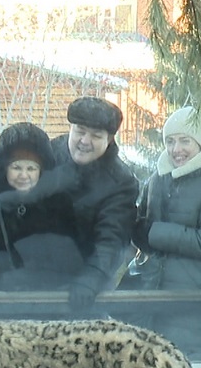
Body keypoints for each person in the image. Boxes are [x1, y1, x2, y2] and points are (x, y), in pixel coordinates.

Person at [123, 107, 201, 361]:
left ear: (199, 142)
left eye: (185, 141)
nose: (177, 149)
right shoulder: (158, 178)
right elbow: (144, 228)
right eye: (170, 142)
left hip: (194, 302)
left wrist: (154, 232)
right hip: (155, 298)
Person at [48, 96, 139, 313]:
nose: (85, 141)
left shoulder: (121, 182)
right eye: (80, 131)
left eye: (96, 136)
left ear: (109, 140)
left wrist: (91, 278)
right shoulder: (47, 156)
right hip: (35, 281)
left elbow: (112, 240)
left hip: (83, 291)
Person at [0, 122, 82, 294]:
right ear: (4, 168)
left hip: (48, 300)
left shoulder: (58, 205)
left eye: (31, 168)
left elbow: (70, 263)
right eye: (16, 167)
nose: (24, 175)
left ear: (42, 171)